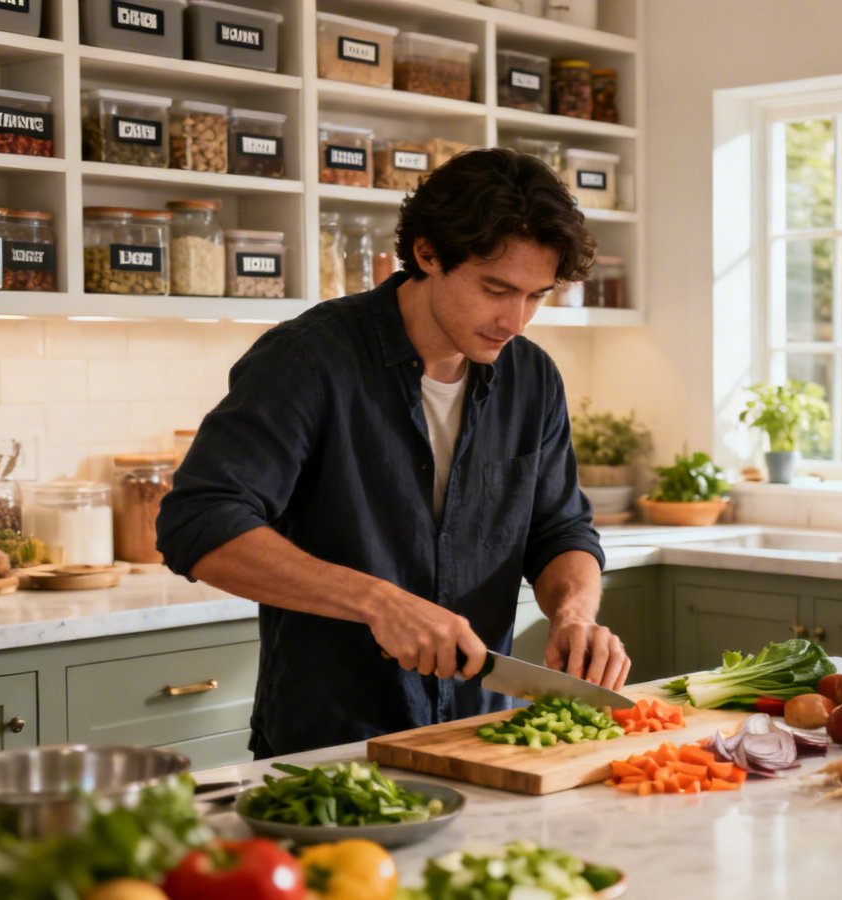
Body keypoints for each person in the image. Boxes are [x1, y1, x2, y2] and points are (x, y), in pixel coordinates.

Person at [157, 148, 629, 757]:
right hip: (331, 742)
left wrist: (573, 615)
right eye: (496, 289)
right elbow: (198, 523)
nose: (516, 320)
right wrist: (377, 602)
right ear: (428, 254)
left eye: (536, 296)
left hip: (482, 735)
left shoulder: (531, 378)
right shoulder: (306, 360)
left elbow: (561, 529)